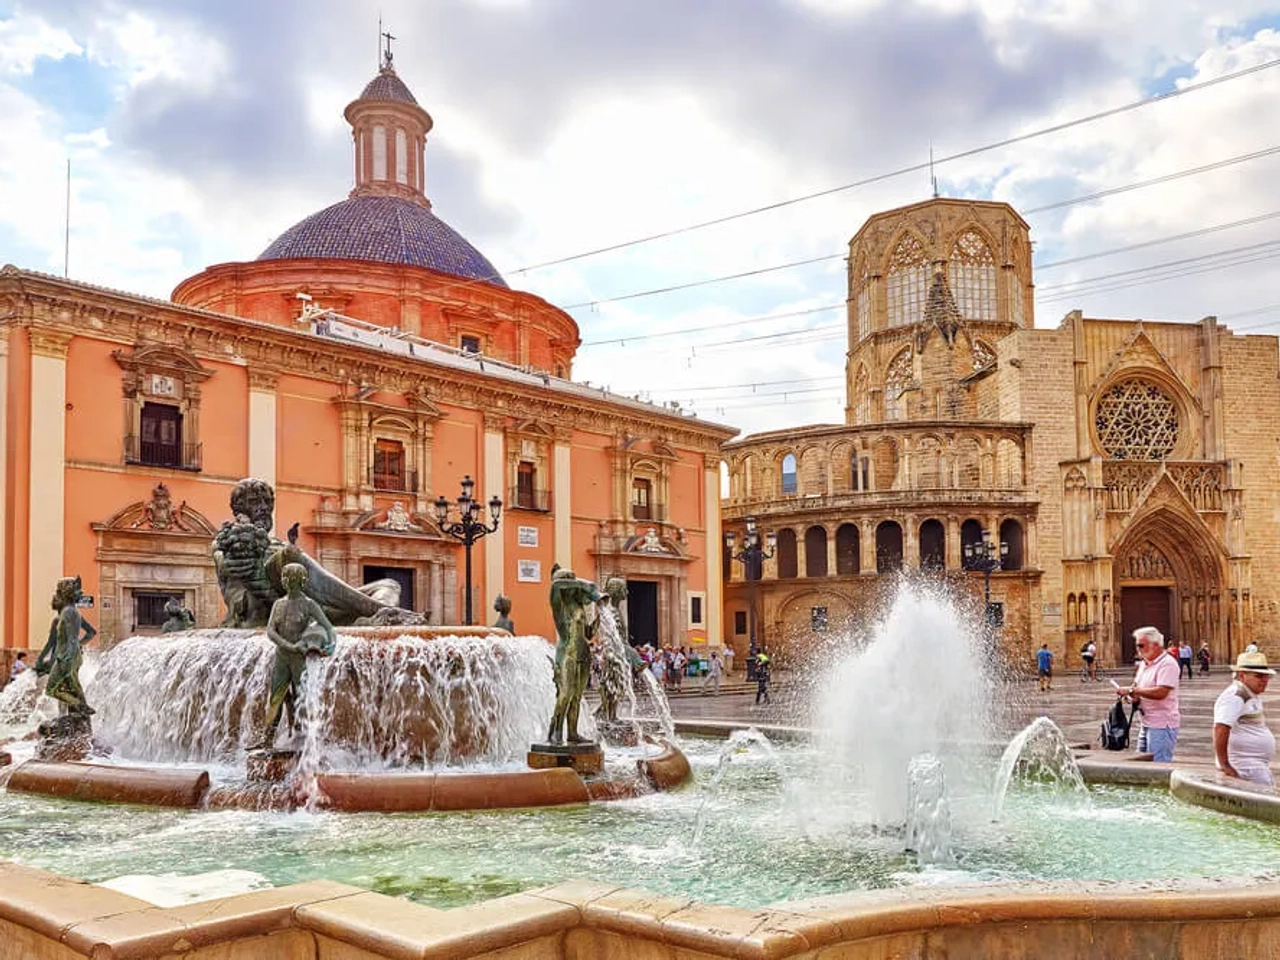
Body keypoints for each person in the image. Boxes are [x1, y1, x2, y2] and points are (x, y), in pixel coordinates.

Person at [1213, 649, 1276, 785]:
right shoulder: (1235, 696)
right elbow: (1221, 728)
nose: (1265, 680)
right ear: (1242, 676)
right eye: (1259, 676)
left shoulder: (1250, 693)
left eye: (1266, 676)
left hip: (1253, 765)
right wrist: (1225, 765)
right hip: (1245, 764)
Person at [1118, 625, 1180, 762]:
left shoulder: (1168, 664)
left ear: (1156, 645)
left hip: (1161, 725)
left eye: (1141, 645)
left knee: (1158, 766)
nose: (1138, 650)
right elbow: (1137, 687)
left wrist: (1132, 690)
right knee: (1141, 766)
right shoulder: (1144, 664)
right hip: (1146, 723)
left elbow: (1161, 692)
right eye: (1137, 646)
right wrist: (1132, 696)